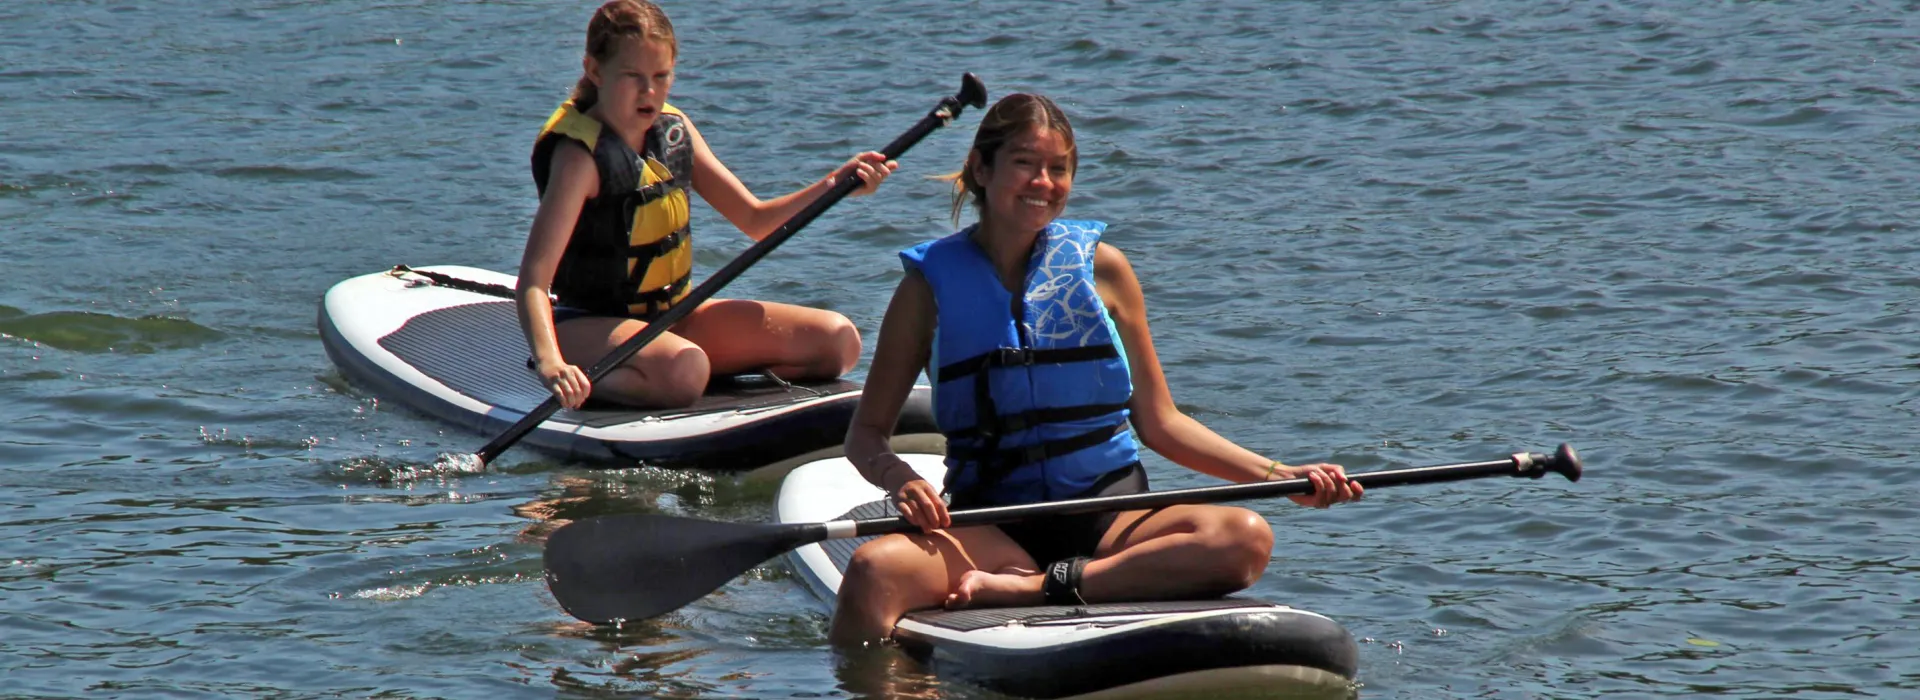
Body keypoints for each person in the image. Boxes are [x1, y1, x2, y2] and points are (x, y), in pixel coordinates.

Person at [832, 93, 1363, 646]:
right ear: (982, 169)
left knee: (1243, 537)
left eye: (1058, 169)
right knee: (873, 572)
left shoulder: (1104, 269)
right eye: (1024, 163)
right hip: (988, 525)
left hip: (1110, 516)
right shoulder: (926, 288)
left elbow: (1161, 422)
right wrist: (904, 480)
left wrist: (1279, 476)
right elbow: (866, 436)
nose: (1043, 182)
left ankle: (1034, 588)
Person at [519, 0, 897, 409]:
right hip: (589, 326)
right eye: (634, 77)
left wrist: (834, 186)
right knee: (684, 371)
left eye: (661, 76)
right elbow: (534, 282)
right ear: (595, 71)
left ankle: (676, 370)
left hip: (672, 318)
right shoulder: (579, 158)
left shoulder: (673, 131)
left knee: (839, 341)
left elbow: (755, 219)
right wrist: (550, 361)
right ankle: (598, 379)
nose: (650, 92)